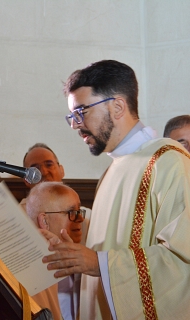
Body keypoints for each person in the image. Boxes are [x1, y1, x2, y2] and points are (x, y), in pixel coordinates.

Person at [41, 60, 190, 319]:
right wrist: (73, 257)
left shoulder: (168, 161)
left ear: (118, 106)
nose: (76, 125)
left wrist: (97, 263)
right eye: (72, 116)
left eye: (81, 112)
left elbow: (180, 261)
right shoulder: (112, 171)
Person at [26, 181, 85, 320]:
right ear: (44, 221)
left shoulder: (87, 257)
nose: (81, 218)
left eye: (79, 211)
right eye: (71, 212)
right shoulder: (30, 273)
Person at [20, 143, 65, 210]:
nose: (44, 172)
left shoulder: (82, 216)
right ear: (26, 180)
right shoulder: (18, 215)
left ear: (61, 170)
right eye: (35, 169)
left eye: (49, 165)